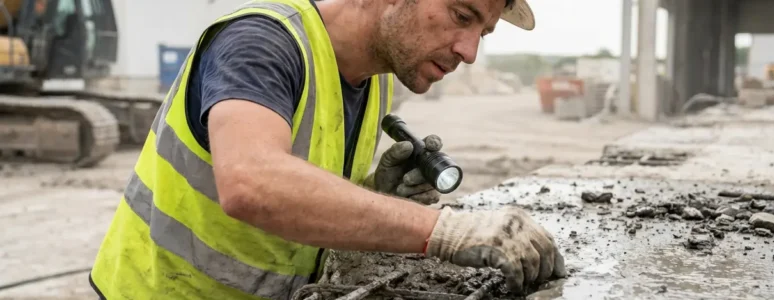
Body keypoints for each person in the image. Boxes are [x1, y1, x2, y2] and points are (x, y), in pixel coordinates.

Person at [89, 0, 566, 299]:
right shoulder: (261, 42)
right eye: (462, 16)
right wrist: (444, 230)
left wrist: (376, 195)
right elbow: (252, 184)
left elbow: (300, 186)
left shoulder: (376, 81)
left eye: (482, 33)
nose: (469, 51)